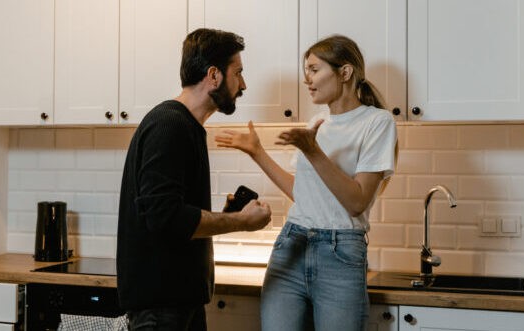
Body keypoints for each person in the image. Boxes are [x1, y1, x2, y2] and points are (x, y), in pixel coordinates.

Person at [215, 35, 397, 330]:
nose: (307, 79)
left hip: (340, 253)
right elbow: (299, 193)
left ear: (345, 72)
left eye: (314, 70)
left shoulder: (377, 123)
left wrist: (312, 150)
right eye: (306, 72)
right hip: (291, 244)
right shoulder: (316, 123)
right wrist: (256, 151)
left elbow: (357, 201)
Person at [117, 28, 273, 331]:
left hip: (177, 303)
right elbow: (165, 218)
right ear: (214, 76)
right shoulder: (170, 125)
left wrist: (227, 217)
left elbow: (172, 216)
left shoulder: (184, 125)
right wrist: (241, 221)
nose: (243, 84)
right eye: (238, 73)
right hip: (161, 308)